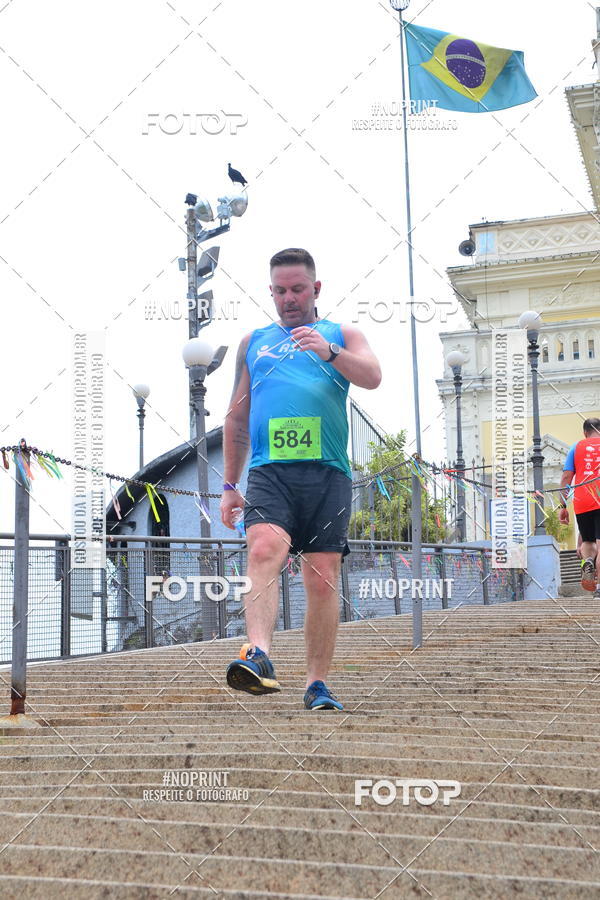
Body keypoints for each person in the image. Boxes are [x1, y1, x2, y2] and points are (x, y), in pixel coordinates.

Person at [220, 248, 381, 710]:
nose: (289, 298)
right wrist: (231, 485)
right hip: (270, 471)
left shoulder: (341, 333)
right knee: (263, 549)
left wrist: (330, 352)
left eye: (297, 289)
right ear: (271, 292)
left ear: (316, 289)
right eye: (280, 291)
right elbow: (235, 418)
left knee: (322, 576)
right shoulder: (254, 342)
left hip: (327, 471)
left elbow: (372, 376)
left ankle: (316, 683)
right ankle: (259, 656)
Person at [559, 418, 600, 598]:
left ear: (585, 433)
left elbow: (567, 477)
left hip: (582, 500)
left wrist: (562, 506)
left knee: (588, 542)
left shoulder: (576, 447)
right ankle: (599, 589)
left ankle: (588, 560)